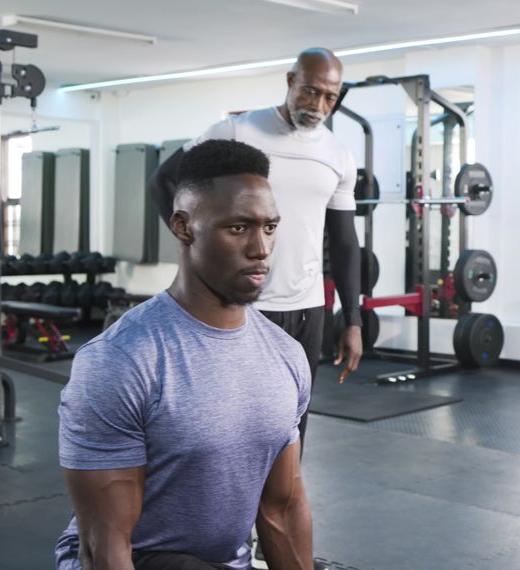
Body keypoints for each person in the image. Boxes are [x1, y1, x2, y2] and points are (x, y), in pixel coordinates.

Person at [56, 139, 312, 570]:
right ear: (183, 226)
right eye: (238, 228)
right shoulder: (121, 361)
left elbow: (281, 509)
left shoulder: (285, 355)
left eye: (269, 227)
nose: (261, 248)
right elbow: (106, 545)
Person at [148, 47, 363, 450]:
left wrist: (352, 318)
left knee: (291, 432)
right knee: (231, 430)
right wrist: (195, 247)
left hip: (306, 309)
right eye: (309, 91)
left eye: (329, 97)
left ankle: (278, 512)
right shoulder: (235, 132)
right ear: (290, 81)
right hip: (244, 306)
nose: (317, 105)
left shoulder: (338, 155)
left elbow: (346, 241)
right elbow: (163, 181)